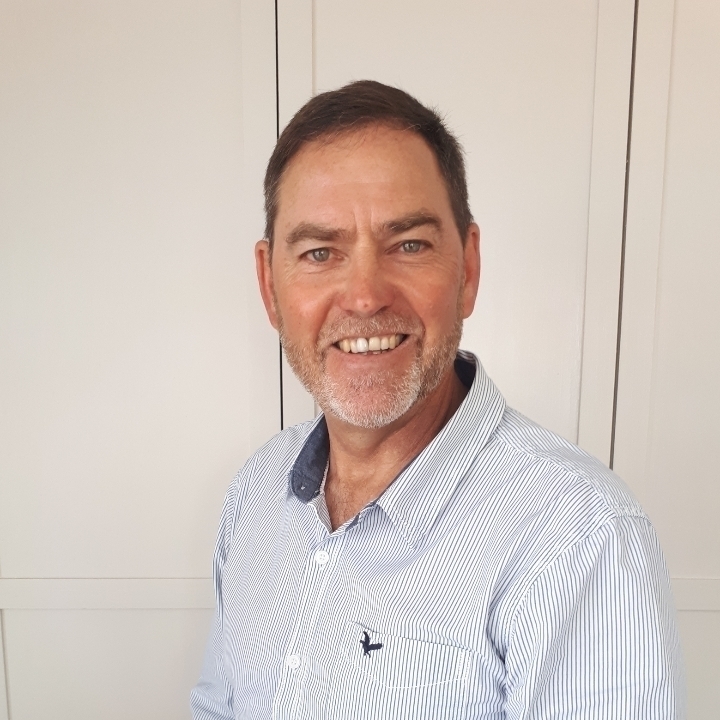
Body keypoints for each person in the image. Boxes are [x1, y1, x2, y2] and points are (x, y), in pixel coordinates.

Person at [191, 80, 684, 719]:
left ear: (468, 269)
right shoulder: (256, 492)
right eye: (320, 252)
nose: (365, 296)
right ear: (269, 285)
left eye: (409, 245)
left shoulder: (579, 536)